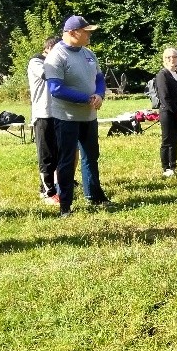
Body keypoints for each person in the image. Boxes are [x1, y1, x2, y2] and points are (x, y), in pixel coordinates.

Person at [44, 15, 111, 217]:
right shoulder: (56, 56)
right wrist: (86, 98)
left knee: (91, 157)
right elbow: (56, 89)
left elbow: (99, 78)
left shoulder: (88, 53)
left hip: (89, 117)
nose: (89, 34)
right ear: (73, 33)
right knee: (66, 160)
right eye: (86, 31)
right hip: (67, 118)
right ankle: (65, 204)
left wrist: (99, 94)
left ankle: (95, 195)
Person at [28, 36, 61, 203]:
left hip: (59, 113)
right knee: (46, 155)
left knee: (58, 154)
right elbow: (47, 74)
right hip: (43, 114)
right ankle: (47, 192)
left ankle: (57, 186)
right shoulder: (36, 61)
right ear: (49, 49)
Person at [155, 47, 177, 177]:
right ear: (164, 59)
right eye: (168, 57)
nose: (172, 59)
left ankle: (173, 164)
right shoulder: (162, 75)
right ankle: (166, 167)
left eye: (174, 57)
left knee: (175, 140)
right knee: (167, 140)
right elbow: (164, 97)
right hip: (168, 112)